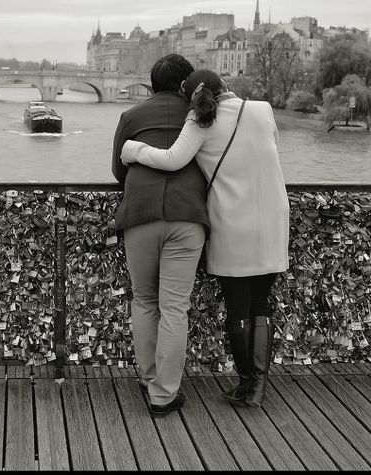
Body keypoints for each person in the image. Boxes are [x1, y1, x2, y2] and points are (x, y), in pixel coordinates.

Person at [121, 68, 289, 408]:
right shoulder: (263, 109)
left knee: (238, 307)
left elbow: (172, 160)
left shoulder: (200, 119)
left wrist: (134, 149)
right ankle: (257, 385)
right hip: (274, 216)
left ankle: (245, 382)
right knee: (261, 305)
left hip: (232, 220)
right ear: (226, 84)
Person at [111, 54, 209, 418]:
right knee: (174, 307)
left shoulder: (131, 116)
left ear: (151, 85)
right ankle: (163, 395)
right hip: (187, 217)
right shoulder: (202, 114)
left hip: (140, 214)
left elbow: (117, 171)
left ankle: (149, 376)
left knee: (144, 300)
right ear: (188, 85)